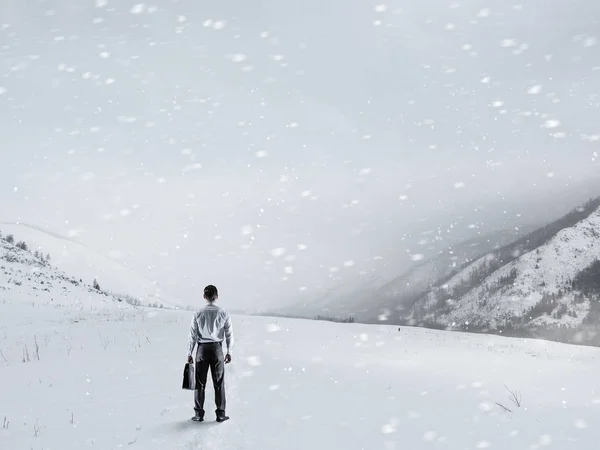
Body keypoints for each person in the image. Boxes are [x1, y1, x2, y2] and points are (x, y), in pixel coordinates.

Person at [187, 284, 234, 422]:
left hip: (201, 350)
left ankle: (198, 414)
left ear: (204, 296)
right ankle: (220, 414)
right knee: (219, 383)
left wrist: (189, 352)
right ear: (217, 296)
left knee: (199, 384)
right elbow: (229, 334)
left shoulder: (198, 313)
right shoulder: (223, 312)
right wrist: (229, 351)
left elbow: (192, 335)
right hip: (217, 350)